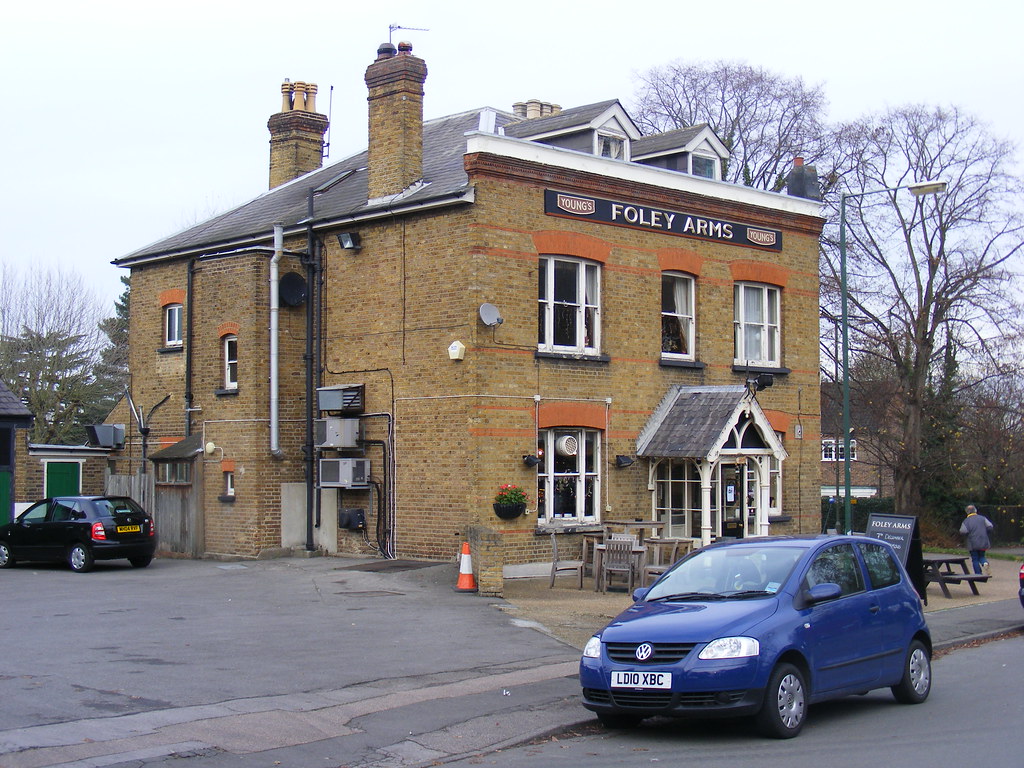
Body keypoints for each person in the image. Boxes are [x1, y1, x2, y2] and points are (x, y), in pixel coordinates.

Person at [959, 504, 994, 576]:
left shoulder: (966, 521)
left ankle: (978, 574)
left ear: (967, 512)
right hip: (983, 541)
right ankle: (985, 563)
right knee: (982, 556)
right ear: (975, 510)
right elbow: (990, 526)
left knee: (975, 559)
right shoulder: (982, 518)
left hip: (972, 543)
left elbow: (963, 531)